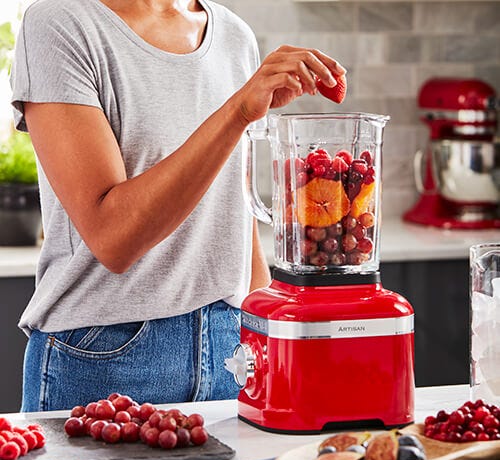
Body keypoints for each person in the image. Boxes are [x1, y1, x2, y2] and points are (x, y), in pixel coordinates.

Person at [10, 0, 346, 412]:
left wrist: (269, 338)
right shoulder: (60, 25)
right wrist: (237, 111)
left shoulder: (234, 35)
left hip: (232, 346)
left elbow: (236, 220)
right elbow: (113, 238)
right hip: (104, 356)